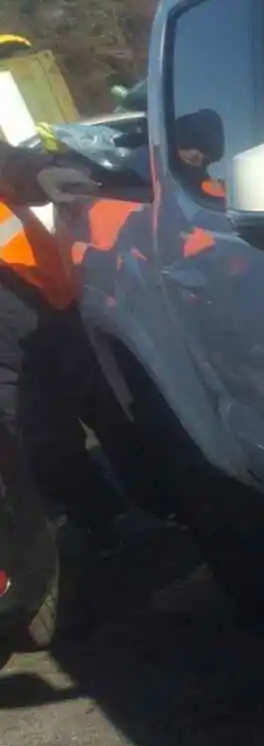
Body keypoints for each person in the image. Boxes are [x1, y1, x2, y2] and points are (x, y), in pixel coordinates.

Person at [0, 137, 129, 554]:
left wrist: (39, 171)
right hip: (18, 328)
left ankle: (166, 501)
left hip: (45, 297)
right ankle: (97, 520)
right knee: (41, 433)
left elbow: (8, 164)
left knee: (113, 403)